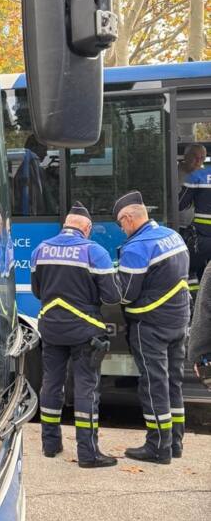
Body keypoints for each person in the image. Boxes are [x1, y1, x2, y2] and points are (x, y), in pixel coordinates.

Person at [30, 203, 121, 467]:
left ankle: (50, 444)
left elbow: (38, 291)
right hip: (85, 334)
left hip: (51, 329)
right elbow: (112, 296)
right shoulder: (95, 252)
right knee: (86, 389)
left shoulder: (40, 250)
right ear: (87, 228)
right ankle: (88, 453)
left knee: (51, 385)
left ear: (66, 224)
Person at [115, 191, 190, 462]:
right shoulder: (173, 236)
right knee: (173, 382)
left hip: (150, 325)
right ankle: (175, 443)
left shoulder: (137, 248)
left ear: (129, 218)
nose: (122, 229)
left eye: (121, 224)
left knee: (153, 384)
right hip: (179, 320)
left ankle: (158, 446)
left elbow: (126, 294)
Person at [177, 144, 211, 279]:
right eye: (195, 157)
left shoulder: (203, 176)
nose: (198, 161)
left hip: (197, 231)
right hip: (177, 225)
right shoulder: (172, 172)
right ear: (185, 157)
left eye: (202, 158)